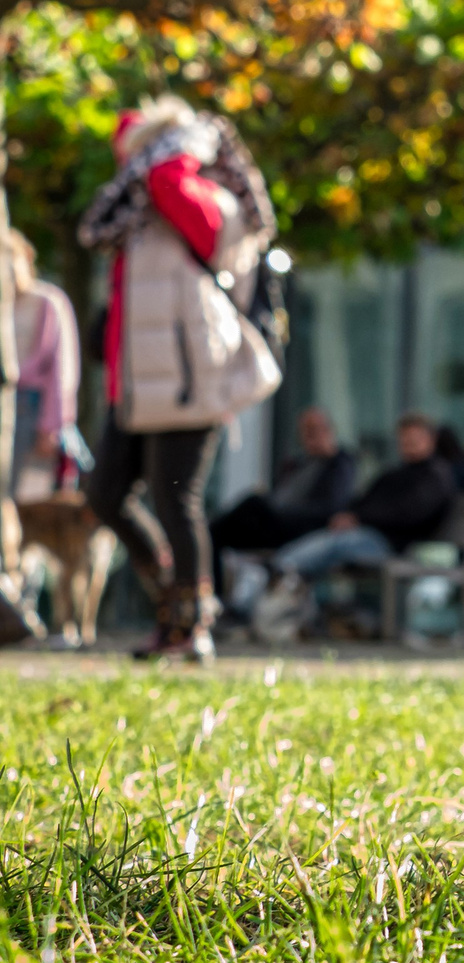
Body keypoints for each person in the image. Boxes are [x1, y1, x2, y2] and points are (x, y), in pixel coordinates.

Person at [77, 98, 281, 663]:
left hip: (192, 382)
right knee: (105, 495)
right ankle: (172, 597)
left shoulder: (208, 200)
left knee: (176, 501)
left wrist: (181, 142)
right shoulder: (137, 218)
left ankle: (192, 626)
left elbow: (170, 185)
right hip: (136, 389)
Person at [262, 414, 457, 627]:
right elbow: (365, 501)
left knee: (336, 542)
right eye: (404, 440)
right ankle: (294, 592)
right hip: (369, 534)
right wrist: (349, 516)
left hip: (394, 544)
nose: (408, 445)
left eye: (414, 440)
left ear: (430, 439)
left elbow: (409, 514)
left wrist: (359, 518)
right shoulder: (396, 473)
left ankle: (284, 567)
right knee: (329, 536)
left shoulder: (434, 475)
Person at [209, 407, 359, 601]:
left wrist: (282, 510)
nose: (310, 436)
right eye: (306, 431)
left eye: (315, 429)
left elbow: (331, 507)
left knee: (254, 502)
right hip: (274, 522)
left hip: (301, 527)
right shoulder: (296, 464)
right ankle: (215, 596)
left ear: (329, 430)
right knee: (214, 533)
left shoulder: (339, 464)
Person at [7, 230, 84, 502]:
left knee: (26, 499)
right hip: (6, 401)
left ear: (26, 259)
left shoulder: (46, 301)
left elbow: (61, 369)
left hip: (32, 406)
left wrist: (53, 425)